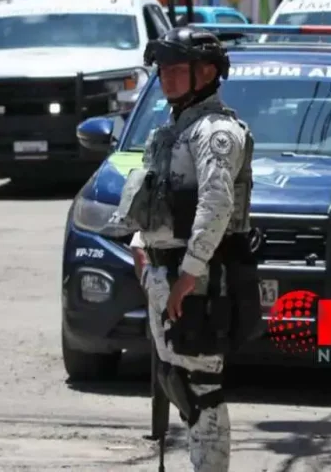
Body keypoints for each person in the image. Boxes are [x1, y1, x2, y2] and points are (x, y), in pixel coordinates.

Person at [112, 27, 260, 471]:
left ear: (209, 72)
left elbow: (217, 204)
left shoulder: (216, 132)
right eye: (163, 70)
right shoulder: (171, 131)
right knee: (177, 379)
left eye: (178, 69)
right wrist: (142, 248)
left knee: (202, 387)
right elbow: (155, 198)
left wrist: (190, 273)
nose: (167, 78)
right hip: (165, 274)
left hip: (197, 282)